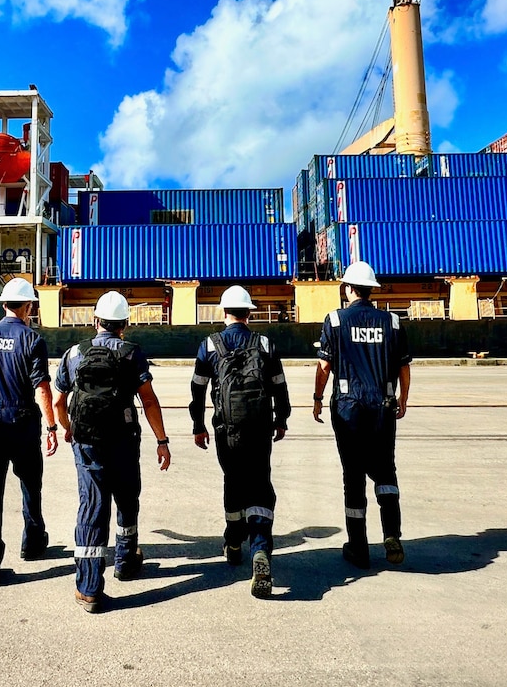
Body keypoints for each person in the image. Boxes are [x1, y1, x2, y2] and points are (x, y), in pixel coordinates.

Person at [54, 291, 172, 613]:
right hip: (123, 440)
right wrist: (162, 441)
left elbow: (58, 402)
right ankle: (124, 562)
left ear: (95, 321)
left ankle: (89, 588)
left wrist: (67, 428)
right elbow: (148, 400)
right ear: (125, 325)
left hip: (87, 443)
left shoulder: (73, 354)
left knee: (92, 507)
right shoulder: (132, 354)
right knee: (126, 500)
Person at [190, 285, 291, 598]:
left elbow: (198, 391)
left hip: (227, 429)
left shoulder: (210, 345)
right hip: (259, 428)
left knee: (233, 482)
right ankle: (260, 550)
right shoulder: (265, 344)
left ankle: (234, 542)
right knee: (260, 485)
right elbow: (280, 388)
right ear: (250, 312)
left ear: (224, 312)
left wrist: (198, 425)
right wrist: (281, 419)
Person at [312, 260, 410, 568]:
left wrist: (316, 398)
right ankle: (392, 534)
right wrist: (403, 398)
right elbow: (404, 367)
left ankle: (358, 547)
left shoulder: (336, 320)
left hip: (349, 405)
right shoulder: (392, 322)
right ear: (372, 290)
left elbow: (324, 366)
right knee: (385, 471)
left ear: (348, 288)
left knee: (353, 475)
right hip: (383, 404)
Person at [0, 276, 58, 587]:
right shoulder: (32, 339)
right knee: (31, 483)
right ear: (28, 305)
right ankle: (32, 542)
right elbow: (42, 387)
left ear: (4, 304)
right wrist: (52, 426)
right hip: (21, 421)